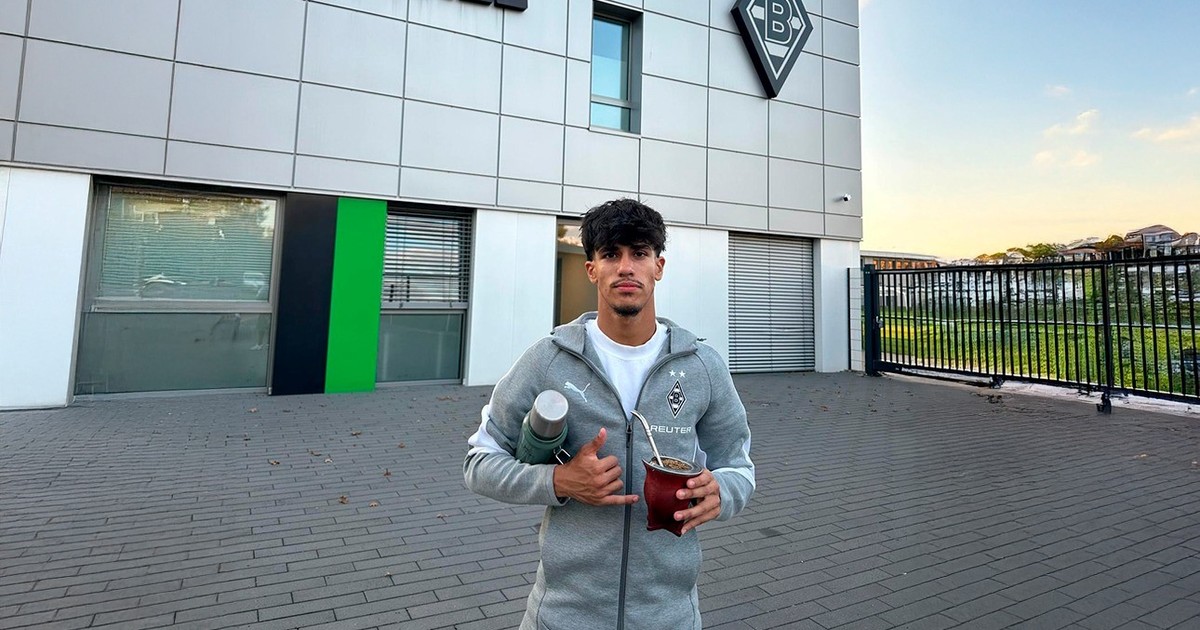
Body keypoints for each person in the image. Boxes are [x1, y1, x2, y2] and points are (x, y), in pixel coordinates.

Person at [463, 198, 754, 629]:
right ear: (592, 269)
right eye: (611, 254)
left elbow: (738, 467)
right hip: (563, 616)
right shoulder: (548, 360)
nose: (626, 267)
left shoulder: (702, 366)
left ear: (659, 266)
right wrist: (559, 481)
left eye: (639, 253)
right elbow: (479, 464)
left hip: (669, 617)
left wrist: (721, 493)